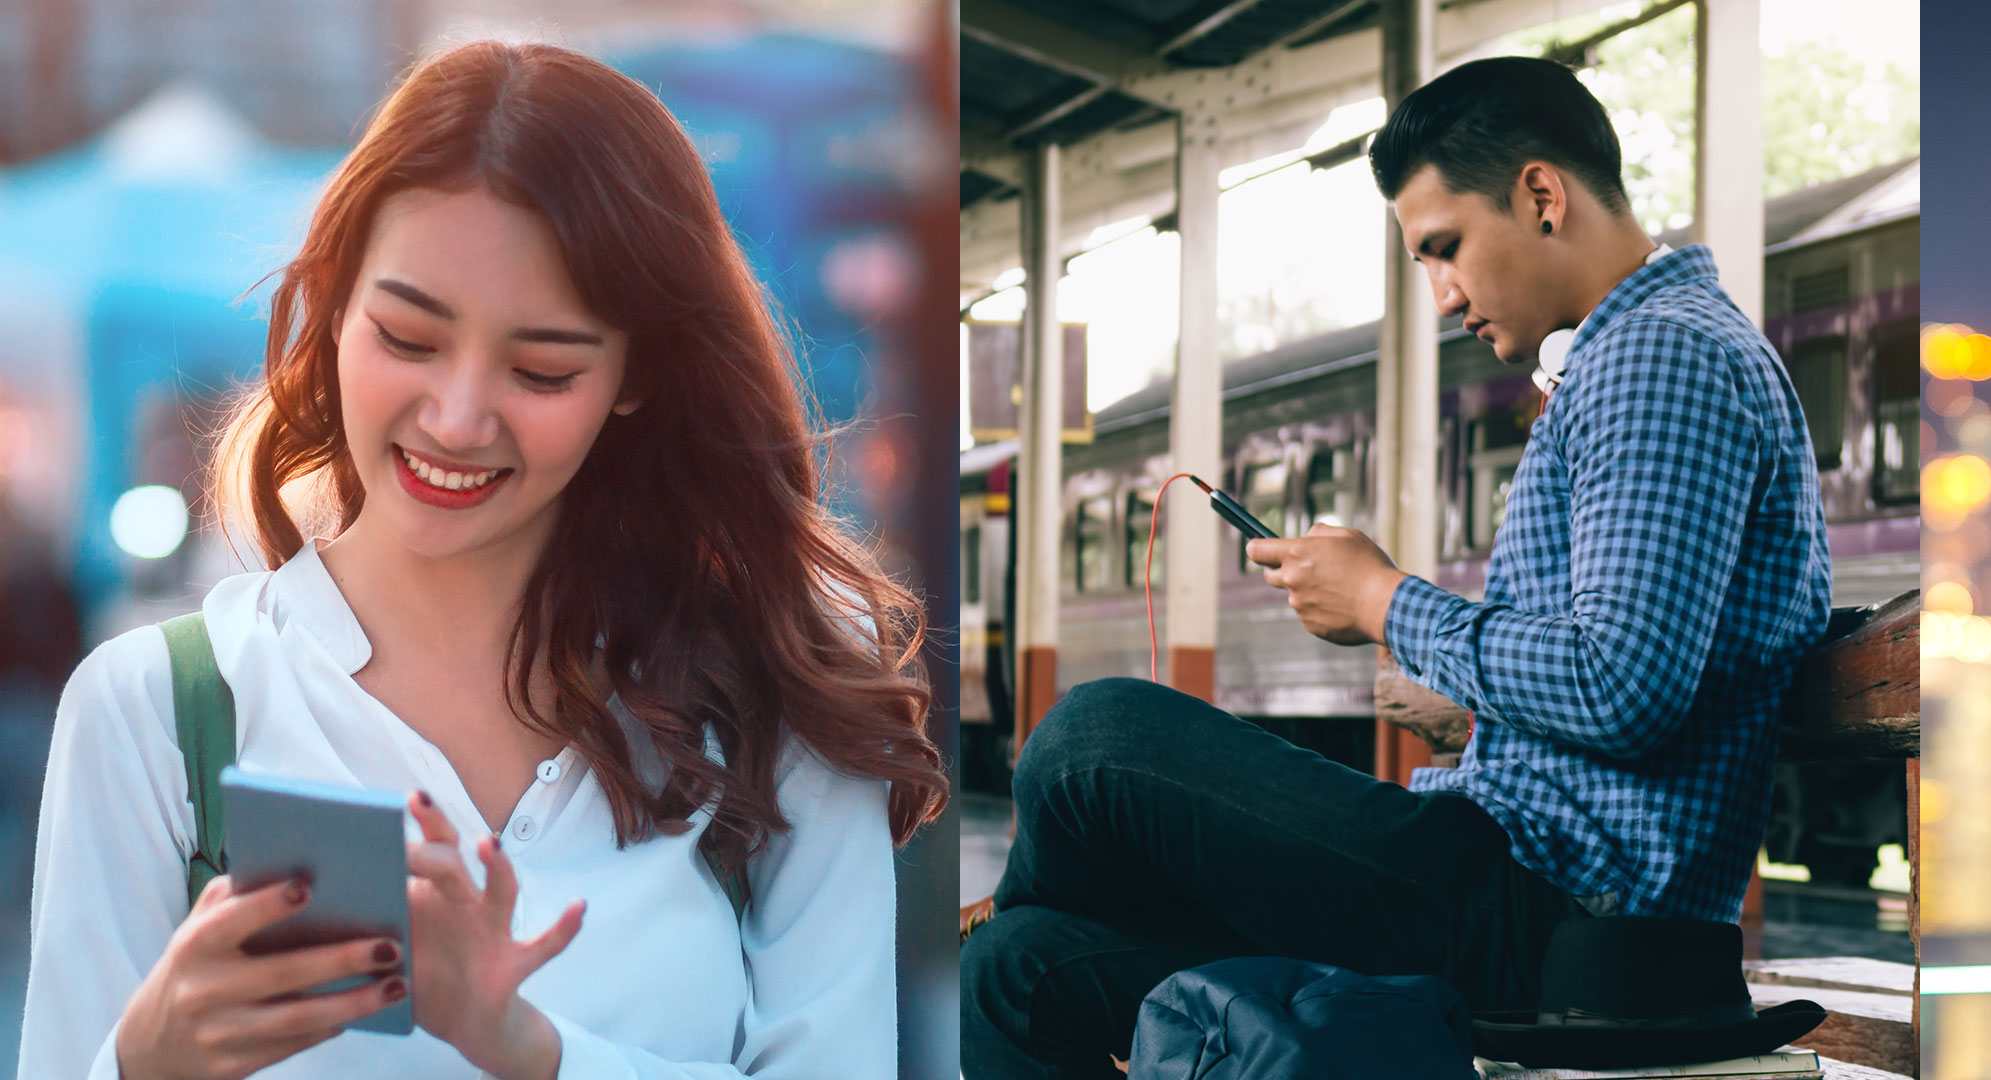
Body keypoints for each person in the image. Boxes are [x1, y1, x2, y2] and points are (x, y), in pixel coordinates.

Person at [19, 40, 947, 1078]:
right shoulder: (157, 711)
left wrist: (529, 1050)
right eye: (408, 339)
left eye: (541, 369)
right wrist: (140, 1063)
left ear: (636, 376)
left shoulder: (774, 690)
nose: (458, 419)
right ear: (330, 310)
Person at [958, 55, 1831, 1076]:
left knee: (1088, 740)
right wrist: (1464, 693)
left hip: (1566, 922)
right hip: (1536, 902)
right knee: (1020, 969)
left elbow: (1621, 684)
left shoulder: (1657, 354)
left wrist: (1385, 600)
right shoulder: (1642, 355)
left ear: (1541, 195)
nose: (1443, 294)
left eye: (1444, 248)